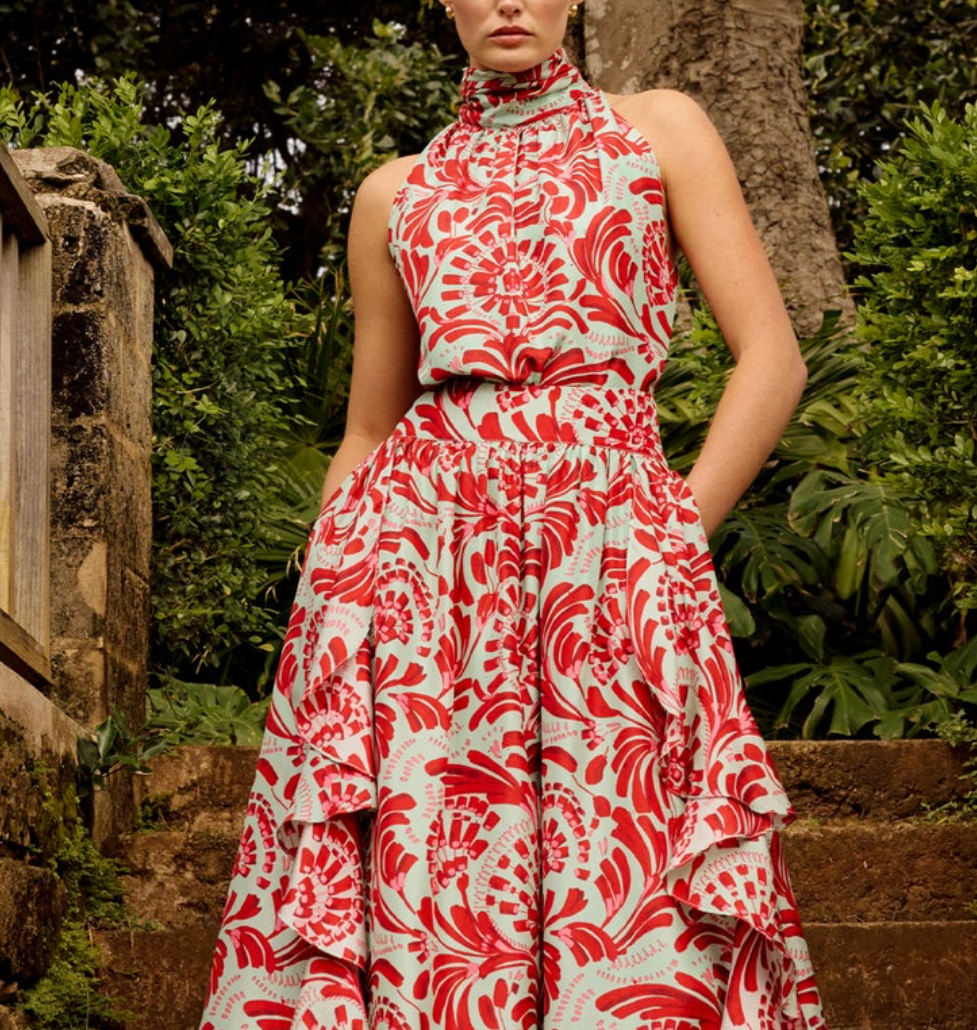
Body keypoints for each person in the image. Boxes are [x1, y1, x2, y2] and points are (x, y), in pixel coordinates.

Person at [196, 0, 827, 1025]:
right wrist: (327, 609)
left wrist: (674, 530)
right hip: (422, 585)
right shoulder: (392, 195)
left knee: (632, 871)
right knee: (444, 875)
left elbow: (772, 359)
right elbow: (368, 428)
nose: (508, 1)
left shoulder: (659, 129)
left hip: (614, 561)